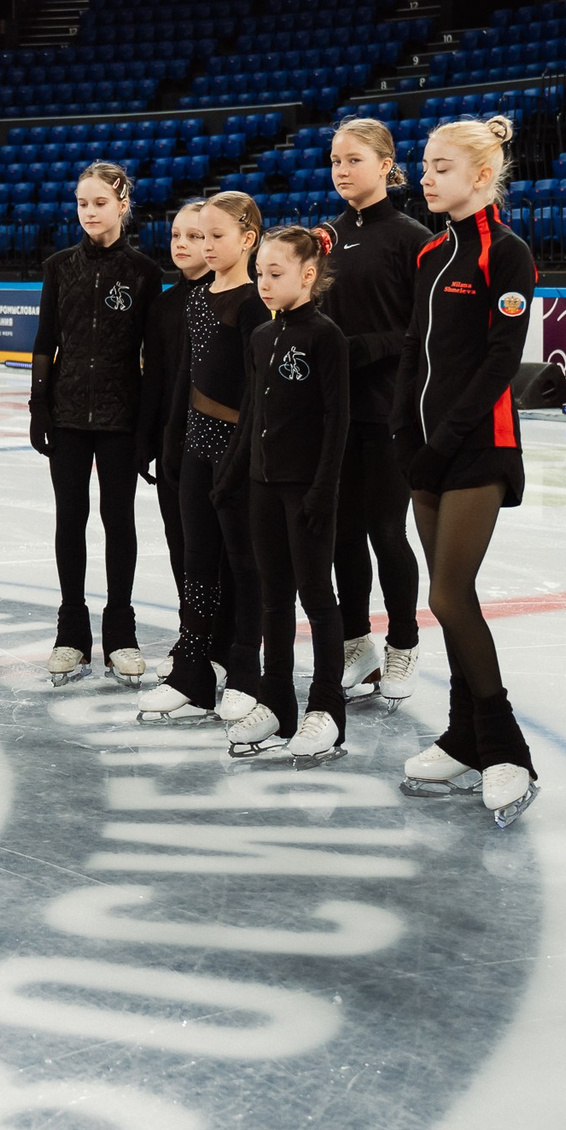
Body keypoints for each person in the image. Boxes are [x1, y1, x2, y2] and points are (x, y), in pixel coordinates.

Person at [392, 115, 541, 827]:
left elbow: (501, 361)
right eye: (425, 165)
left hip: (479, 448)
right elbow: (414, 352)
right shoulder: (430, 252)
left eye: (441, 167)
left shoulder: (506, 254)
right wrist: (404, 434)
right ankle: (463, 736)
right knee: (448, 596)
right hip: (425, 450)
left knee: (450, 596)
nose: (426, 177)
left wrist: (444, 440)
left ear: (482, 176)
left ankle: (507, 747)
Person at [218, 226, 352, 760]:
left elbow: (337, 420)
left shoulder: (326, 337)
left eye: (275, 274)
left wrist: (324, 490)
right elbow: (251, 413)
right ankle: (276, 700)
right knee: (273, 598)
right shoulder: (260, 337)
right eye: (260, 274)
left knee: (316, 598)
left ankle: (327, 708)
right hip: (262, 488)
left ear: (308, 275)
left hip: (305, 492)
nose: (264, 283)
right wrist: (232, 476)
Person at [138, 191, 270, 723]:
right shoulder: (197, 298)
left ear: (248, 238)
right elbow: (186, 378)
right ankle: (192, 673)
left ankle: (243, 670)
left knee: (243, 565)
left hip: (236, 454)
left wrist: (240, 457)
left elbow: (258, 393)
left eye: (217, 236)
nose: (207, 245)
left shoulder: (254, 303)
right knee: (196, 563)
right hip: (195, 448)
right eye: (202, 236)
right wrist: (172, 440)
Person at [31, 162, 160, 685]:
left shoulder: (145, 272)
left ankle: (121, 634)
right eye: (82, 203)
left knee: (118, 520)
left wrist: (147, 428)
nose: (89, 212)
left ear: (122, 205)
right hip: (66, 415)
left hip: (120, 417)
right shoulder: (59, 267)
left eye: (100, 203)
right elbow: (45, 341)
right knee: (70, 518)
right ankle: (71, 634)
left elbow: (153, 358)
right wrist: (39, 405)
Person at [316, 117, 430, 707]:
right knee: (342, 533)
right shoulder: (325, 238)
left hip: (388, 409)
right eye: (336, 160)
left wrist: (367, 348)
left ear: (386, 165)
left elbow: (424, 329)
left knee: (387, 531)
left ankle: (403, 642)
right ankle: (356, 642)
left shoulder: (413, 238)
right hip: (335, 411)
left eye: (354, 159)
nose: (341, 170)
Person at [143, 198, 212, 607]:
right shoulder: (163, 305)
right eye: (175, 235)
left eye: (194, 236)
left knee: (214, 543)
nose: (181, 243)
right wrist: (146, 441)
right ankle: (192, 624)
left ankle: (224, 631)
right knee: (178, 538)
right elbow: (154, 378)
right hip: (172, 442)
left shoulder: (236, 299)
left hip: (217, 442)